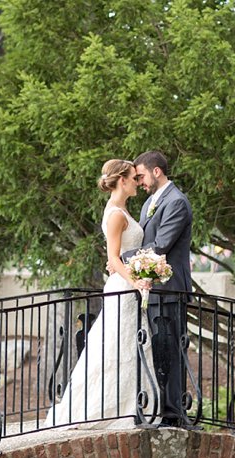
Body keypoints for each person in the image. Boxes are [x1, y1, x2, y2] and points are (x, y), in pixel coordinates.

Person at [44, 159, 154, 429]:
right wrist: (137, 281)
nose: (138, 182)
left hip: (129, 287)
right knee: (115, 348)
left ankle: (134, 404)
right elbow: (114, 259)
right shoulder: (116, 214)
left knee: (129, 345)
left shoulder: (122, 210)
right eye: (133, 177)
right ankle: (110, 409)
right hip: (124, 287)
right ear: (122, 180)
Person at [123, 151, 193, 428]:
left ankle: (174, 414)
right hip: (154, 291)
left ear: (156, 172)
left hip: (171, 289)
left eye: (140, 176)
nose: (138, 182)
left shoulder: (177, 202)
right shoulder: (150, 203)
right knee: (158, 350)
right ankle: (159, 408)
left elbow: (161, 245)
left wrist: (121, 258)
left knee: (171, 350)